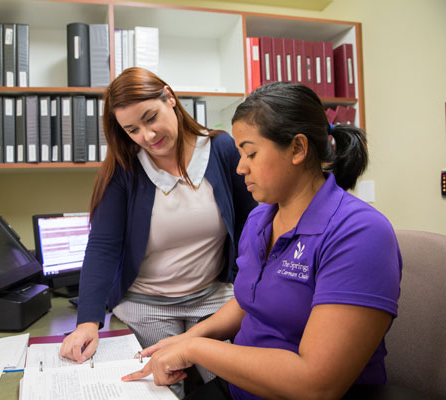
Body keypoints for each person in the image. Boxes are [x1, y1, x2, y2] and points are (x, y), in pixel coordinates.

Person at [123, 81, 402, 400]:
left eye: (250, 153)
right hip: (241, 387)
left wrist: (196, 348)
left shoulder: (360, 233)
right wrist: (188, 338)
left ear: (297, 149)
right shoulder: (260, 218)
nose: (240, 167)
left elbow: (316, 383)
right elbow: (247, 301)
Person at [59, 67, 258, 386]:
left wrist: (250, 286)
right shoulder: (124, 169)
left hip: (211, 297)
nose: (147, 136)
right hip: (144, 306)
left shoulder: (220, 150)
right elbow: (103, 247)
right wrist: (87, 322)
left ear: (170, 98)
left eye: (150, 118)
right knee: (156, 389)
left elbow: (253, 221)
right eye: (132, 129)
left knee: (231, 386)